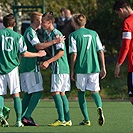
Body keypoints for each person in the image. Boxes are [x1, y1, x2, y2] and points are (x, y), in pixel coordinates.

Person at [0, 13, 46, 127]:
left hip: (0, 67)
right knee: (16, 95)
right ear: (14, 24)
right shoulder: (18, 36)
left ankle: (1, 115)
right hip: (13, 68)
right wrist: (38, 54)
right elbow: (24, 53)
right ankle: (19, 121)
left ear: (4, 24)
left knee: (0, 94)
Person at [20, 12, 65, 126]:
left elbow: (42, 45)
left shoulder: (32, 32)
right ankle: (27, 116)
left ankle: (20, 116)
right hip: (30, 67)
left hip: (27, 66)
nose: (42, 22)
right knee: (38, 91)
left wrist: (47, 45)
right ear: (36, 21)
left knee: (29, 93)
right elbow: (38, 46)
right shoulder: (30, 32)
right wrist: (54, 41)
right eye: (41, 20)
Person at [69, 13, 106, 126]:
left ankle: (86, 119)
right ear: (85, 22)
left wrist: (72, 70)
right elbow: (100, 51)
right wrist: (103, 67)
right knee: (95, 91)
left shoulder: (73, 35)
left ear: (74, 23)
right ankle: (99, 107)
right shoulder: (94, 33)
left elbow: (74, 54)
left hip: (81, 68)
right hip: (94, 67)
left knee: (81, 92)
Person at [40, 12, 72, 126]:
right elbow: (53, 50)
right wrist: (47, 46)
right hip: (61, 67)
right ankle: (67, 119)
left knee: (55, 92)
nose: (41, 24)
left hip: (59, 67)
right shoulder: (49, 35)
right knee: (62, 93)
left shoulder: (56, 34)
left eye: (43, 22)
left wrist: (48, 61)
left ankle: (61, 119)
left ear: (49, 22)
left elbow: (61, 52)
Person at [114, 1, 133, 105]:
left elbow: (126, 46)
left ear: (121, 10)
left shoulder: (127, 23)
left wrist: (119, 63)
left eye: (118, 13)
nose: (119, 16)